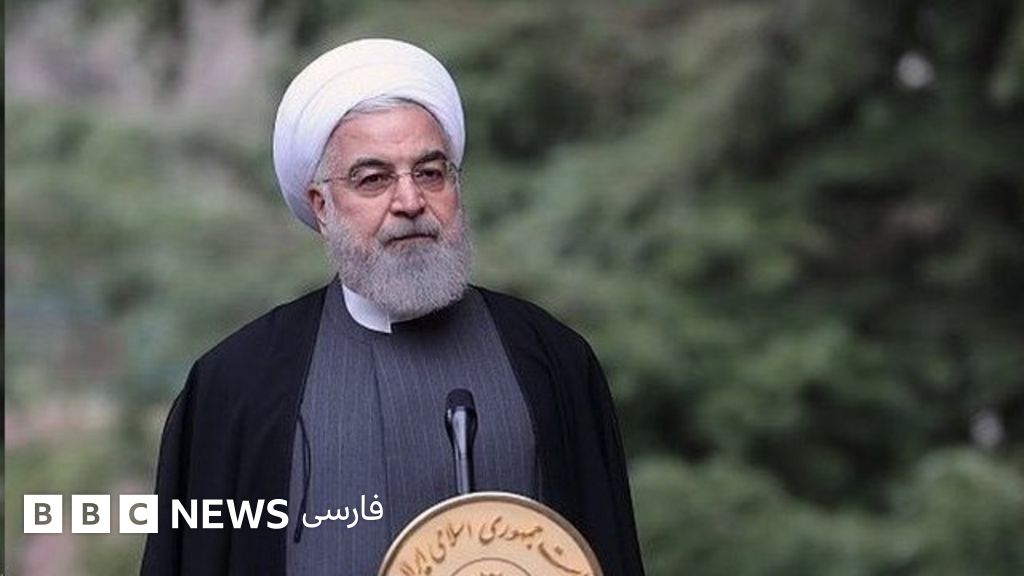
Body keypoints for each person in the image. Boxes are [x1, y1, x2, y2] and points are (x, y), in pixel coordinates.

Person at [141, 38, 645, 576]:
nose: (409, 202)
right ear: (323, 207)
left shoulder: (552, 360)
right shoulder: (238, 384)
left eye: (430, 173)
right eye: (374, 179)